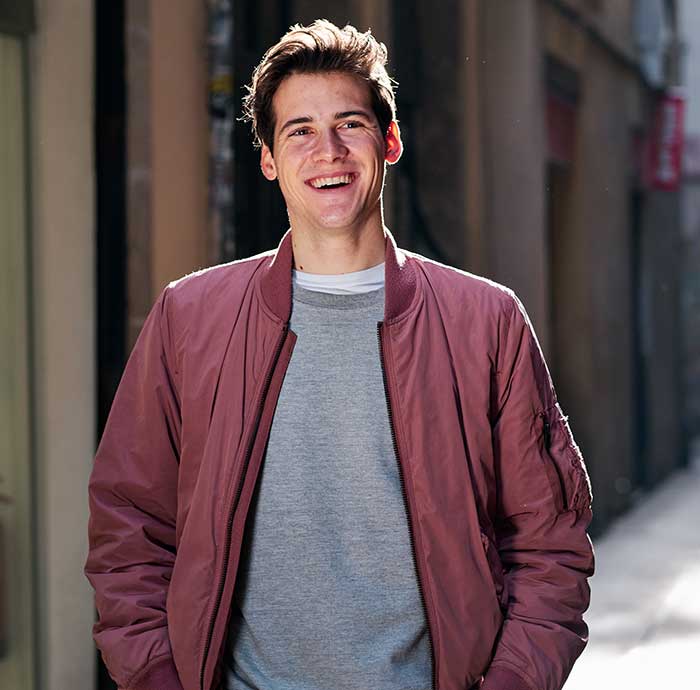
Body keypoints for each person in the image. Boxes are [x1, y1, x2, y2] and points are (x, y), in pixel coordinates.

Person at [85, 19, 594, 690]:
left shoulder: (484, 322)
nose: (327, 151)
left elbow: (550, 545)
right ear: (269, 160)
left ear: (390, 141)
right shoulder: (190, 318)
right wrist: (156, 676)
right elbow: (128, 527)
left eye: (349, 124)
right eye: (299, 131)